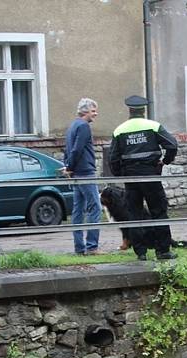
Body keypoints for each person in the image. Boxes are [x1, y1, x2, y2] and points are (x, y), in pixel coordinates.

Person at [109, 95, 178, 261]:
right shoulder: (153, 126)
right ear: (143, 110)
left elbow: (112, 158)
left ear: (130, 111)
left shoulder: (120, 130)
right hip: (150, 174)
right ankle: (163, 251)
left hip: (131, 177)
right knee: (158, 212)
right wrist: (165, 161)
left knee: (134, 214)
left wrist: (120, 173)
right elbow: (172, 144)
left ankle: (140, 253)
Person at [63, 98, 102, 256]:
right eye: (93, 111)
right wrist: (70, 167)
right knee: (95, 208)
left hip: (76, 173)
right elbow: (77, 149)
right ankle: (92, 247)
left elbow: (69, 149)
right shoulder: (84, 126)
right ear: (85, 111)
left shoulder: (73, 125)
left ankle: (79, 248)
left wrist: (68, 167)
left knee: (78, 210)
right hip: (85, 172)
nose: (96, 114)